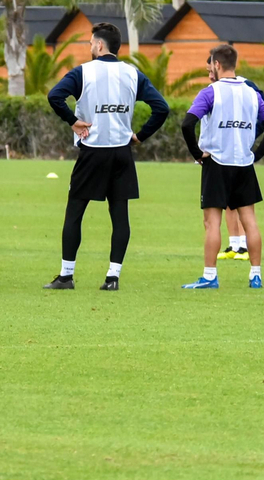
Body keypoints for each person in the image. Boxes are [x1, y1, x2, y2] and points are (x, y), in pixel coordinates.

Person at [42, 22, 170, 291]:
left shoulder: (83, 72)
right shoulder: (133, 74)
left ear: (99, 45)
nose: (90, 47)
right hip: (122, 153)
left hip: (92, 152)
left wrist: (73, 121)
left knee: (75, 212)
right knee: (120, 215)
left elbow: (55, 96)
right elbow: (161, 108)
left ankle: (66, 277)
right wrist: (140, 136)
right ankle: (113, 278)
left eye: (91, 43)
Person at [180, 44, 264, 289]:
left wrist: (197, 154)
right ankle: (255, 275)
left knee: (211, 223)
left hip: (216, 163)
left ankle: (209, 276)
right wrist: (255, 155)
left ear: (216, 64)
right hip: (244, 164)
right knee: (250, 221)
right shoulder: (252, 93)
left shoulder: (210, 92)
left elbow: (187, 124)